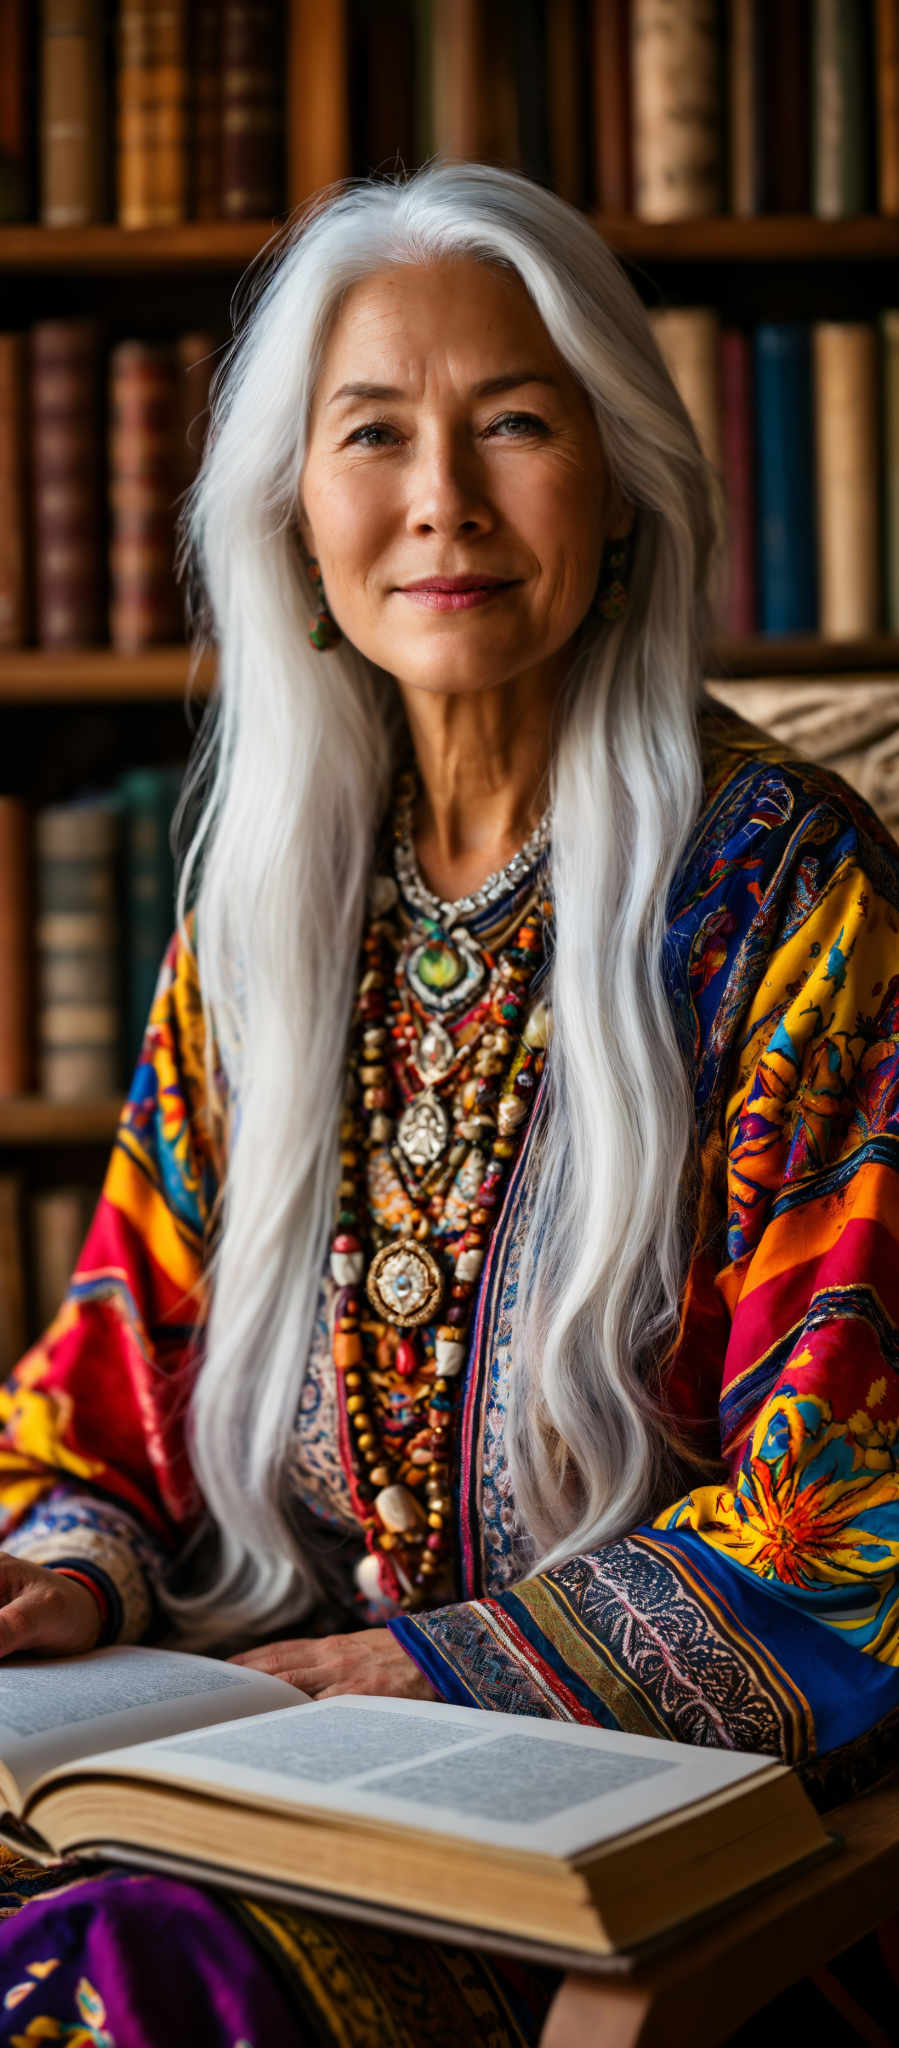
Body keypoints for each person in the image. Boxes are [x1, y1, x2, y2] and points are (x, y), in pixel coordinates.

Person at [0, 157, 896, 2046]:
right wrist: (63, 1579)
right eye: (373, 435)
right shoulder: (266, 919)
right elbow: (101, 1390)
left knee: (102, 1992)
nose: (442, 504)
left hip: (655, 1856)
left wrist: (419, 1669)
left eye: (512, 423)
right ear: (294, 519)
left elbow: (856, 1509)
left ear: (625, 483)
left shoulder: (790, 901)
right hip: (284, 1766)